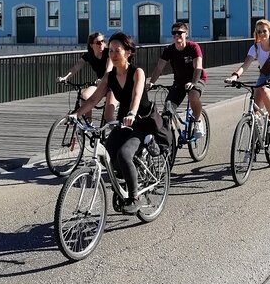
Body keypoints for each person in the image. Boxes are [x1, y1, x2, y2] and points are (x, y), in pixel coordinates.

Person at [69, 32, 154, 214]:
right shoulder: (109, 77)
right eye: (111, 51)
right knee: (109, 151)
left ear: (128, 52)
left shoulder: (137, 72)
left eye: (118, 51)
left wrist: (132, 112)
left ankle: (135, 196)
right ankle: (124, 180)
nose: (113, 55)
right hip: (124, 118)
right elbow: (92, 101)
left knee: (124, 154)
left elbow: (137, 96)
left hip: (142, 120)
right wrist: (75, 115)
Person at [225, 20, 270, 137]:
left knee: (265, 90)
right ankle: (252, 147)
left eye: (264, 31)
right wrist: (235, 76)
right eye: (259, 32)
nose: (261, 34)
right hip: (263, 77)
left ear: (269, 32)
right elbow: (246, 64)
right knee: (254, 114)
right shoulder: (255, 47)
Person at [147, 22, 206, 138]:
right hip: (179, 82)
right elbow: (159, 67)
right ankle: (168, 139)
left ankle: (198, 121)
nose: (176, 35)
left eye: (180, 32)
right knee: (167, 108)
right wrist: (151, 82)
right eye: (174, 33)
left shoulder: (193, 47)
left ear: (186, 34)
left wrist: (194, 83)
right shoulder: (169, 49)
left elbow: (198, 67)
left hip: (197, 78)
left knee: (193, 97)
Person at [58, 32, 116, 122]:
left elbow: (108, 69)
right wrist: (65, 77)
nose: (101, 44)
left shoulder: (108, 53)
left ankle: (115, 133)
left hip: (112, 83)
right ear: (91, 45)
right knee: (84, 96)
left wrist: (102, 80)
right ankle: (89, 123)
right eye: (98, 42)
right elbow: (76, 67)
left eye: (102, 41)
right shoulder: (88, 56)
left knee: (108, 115)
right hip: (100, 83)